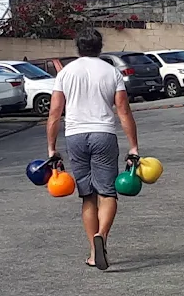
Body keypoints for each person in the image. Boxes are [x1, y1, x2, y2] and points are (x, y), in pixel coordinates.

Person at [46, 28, 139, 270]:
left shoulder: (66, 73)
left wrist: (51, 148)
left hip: (75, 136)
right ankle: (102, 237)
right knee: (107, 193)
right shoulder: (111, 72)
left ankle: (91, 251)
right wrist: (134, 147)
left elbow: (55, 113)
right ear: (100, 47)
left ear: (78, 47)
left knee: (87, 196)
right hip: (104, 135)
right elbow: (123, 111)